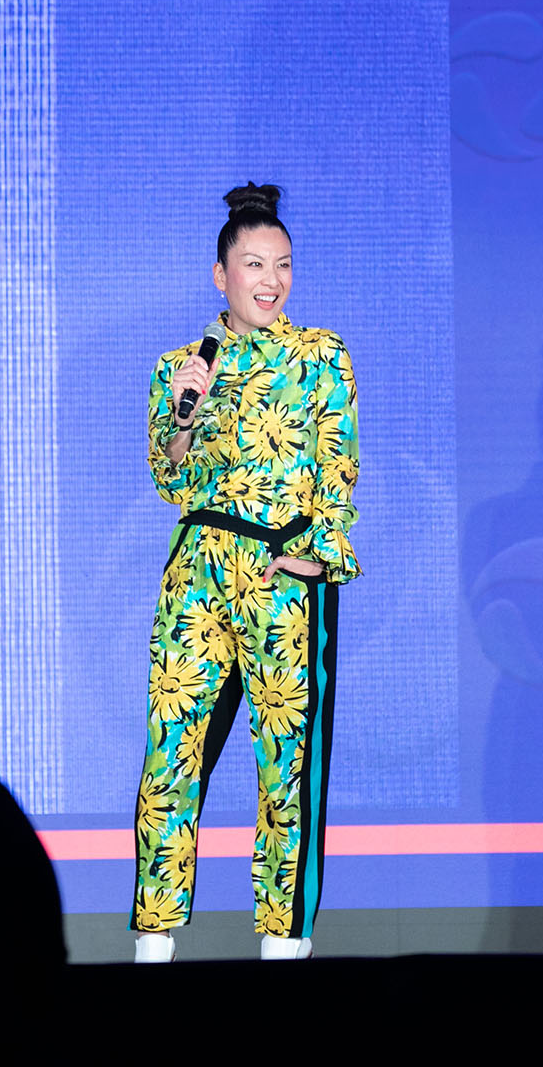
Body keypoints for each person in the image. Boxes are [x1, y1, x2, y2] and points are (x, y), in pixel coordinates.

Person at [130, 182, 360, 962]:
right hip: (197, 572)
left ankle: (283, 953)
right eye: (255, 264)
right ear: (220, 273)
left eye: (284, 266)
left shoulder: (321, 355)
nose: (271, 280)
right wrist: (187, 413)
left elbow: (339, 469)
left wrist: (317, 556)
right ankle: (151, 954)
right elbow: (172, 479)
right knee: (171, 757)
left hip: (279, 574)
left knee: (285, 769)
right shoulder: (181, 367)